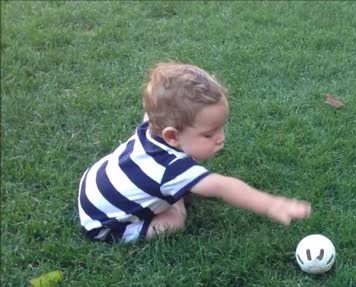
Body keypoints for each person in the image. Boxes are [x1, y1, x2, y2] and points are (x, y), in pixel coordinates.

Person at [78, 62, 311, 243]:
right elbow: (223, 186)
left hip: (92, 182)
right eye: (209, 134)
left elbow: (152, 110)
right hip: (102, 223)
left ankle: (170, 195)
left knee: (172, 188)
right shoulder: (172, 168)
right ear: (172, 136)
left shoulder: (150, 127)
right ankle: (168, 208)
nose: (221, 138)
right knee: (175, 220)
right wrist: (271, 204)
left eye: (222, 127)